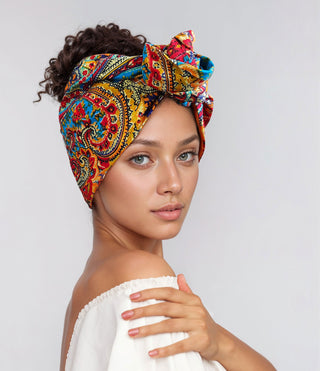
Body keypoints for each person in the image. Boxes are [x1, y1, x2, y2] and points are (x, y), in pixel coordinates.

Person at [36, 23, 276, 371]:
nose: (173, 183)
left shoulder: (92, 292)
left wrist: (219, 342)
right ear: (93, 171)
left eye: (186, 155)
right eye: (141, 158)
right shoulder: (140, 282)